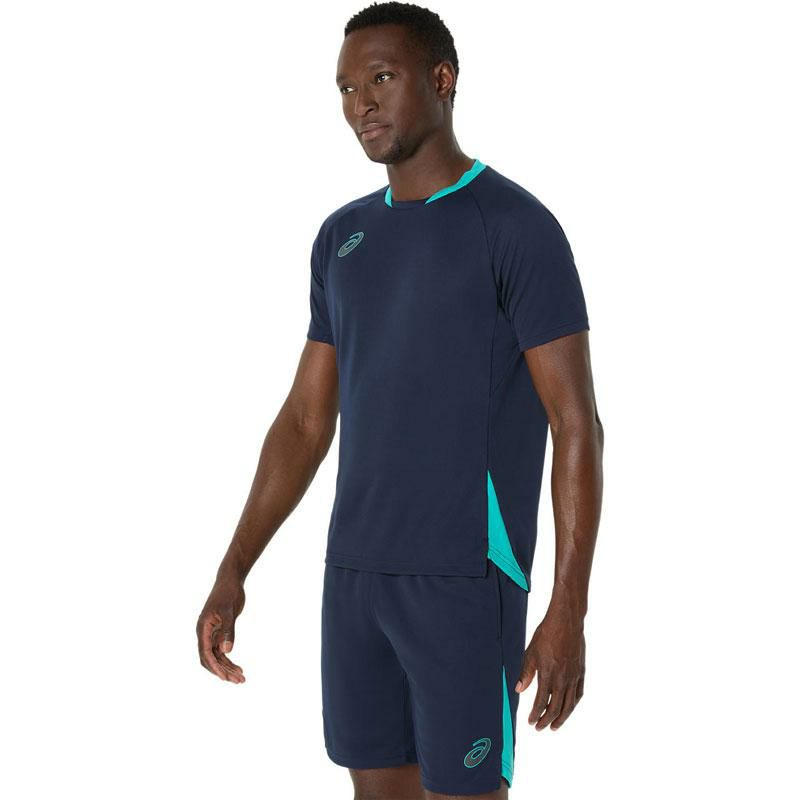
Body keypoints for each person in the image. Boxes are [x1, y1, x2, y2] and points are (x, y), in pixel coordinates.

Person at [196, 3, 603, 797]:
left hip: (464, 581)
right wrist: (233, 567)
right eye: (346, 88)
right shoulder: (341, 239)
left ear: (442, 80)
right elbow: (305, 421)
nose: (361, 104)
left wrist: (569, 609)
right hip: (354, 578)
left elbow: (577, 425)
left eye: (380, 78)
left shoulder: (515, 228)